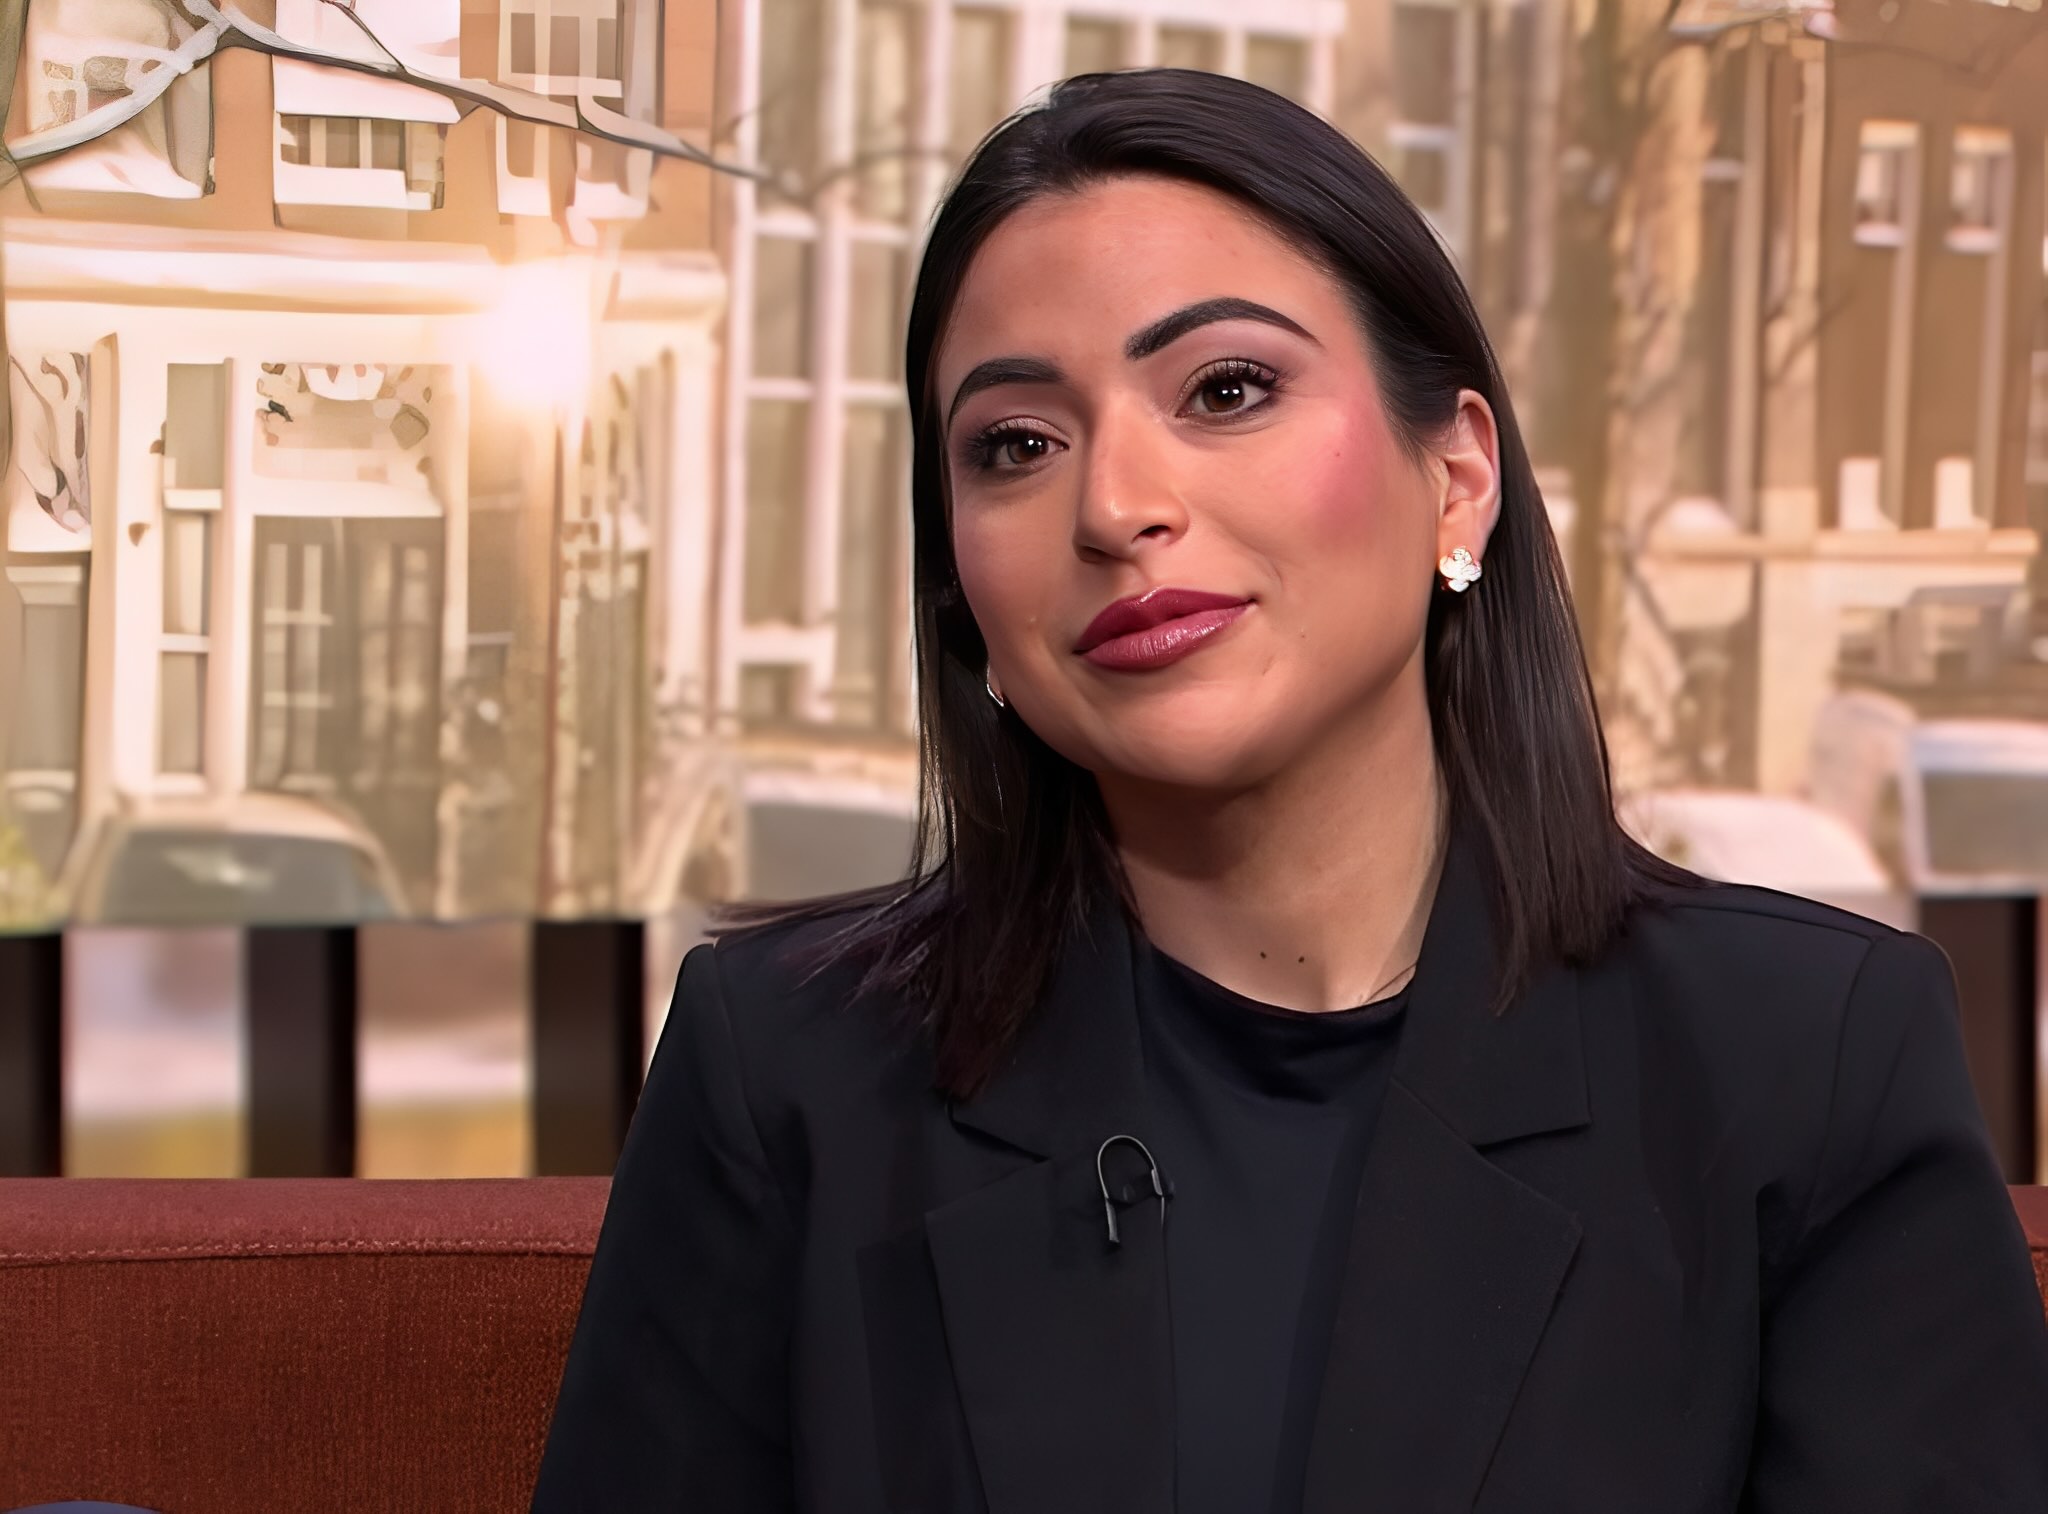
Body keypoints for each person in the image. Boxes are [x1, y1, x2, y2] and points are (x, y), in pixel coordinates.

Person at [530, 68, 2048, 1513]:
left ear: (1457, 478)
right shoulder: (782, 1074)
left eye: (1227, 387)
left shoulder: (1811, 1066)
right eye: (1016, 443)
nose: (1116, 506)